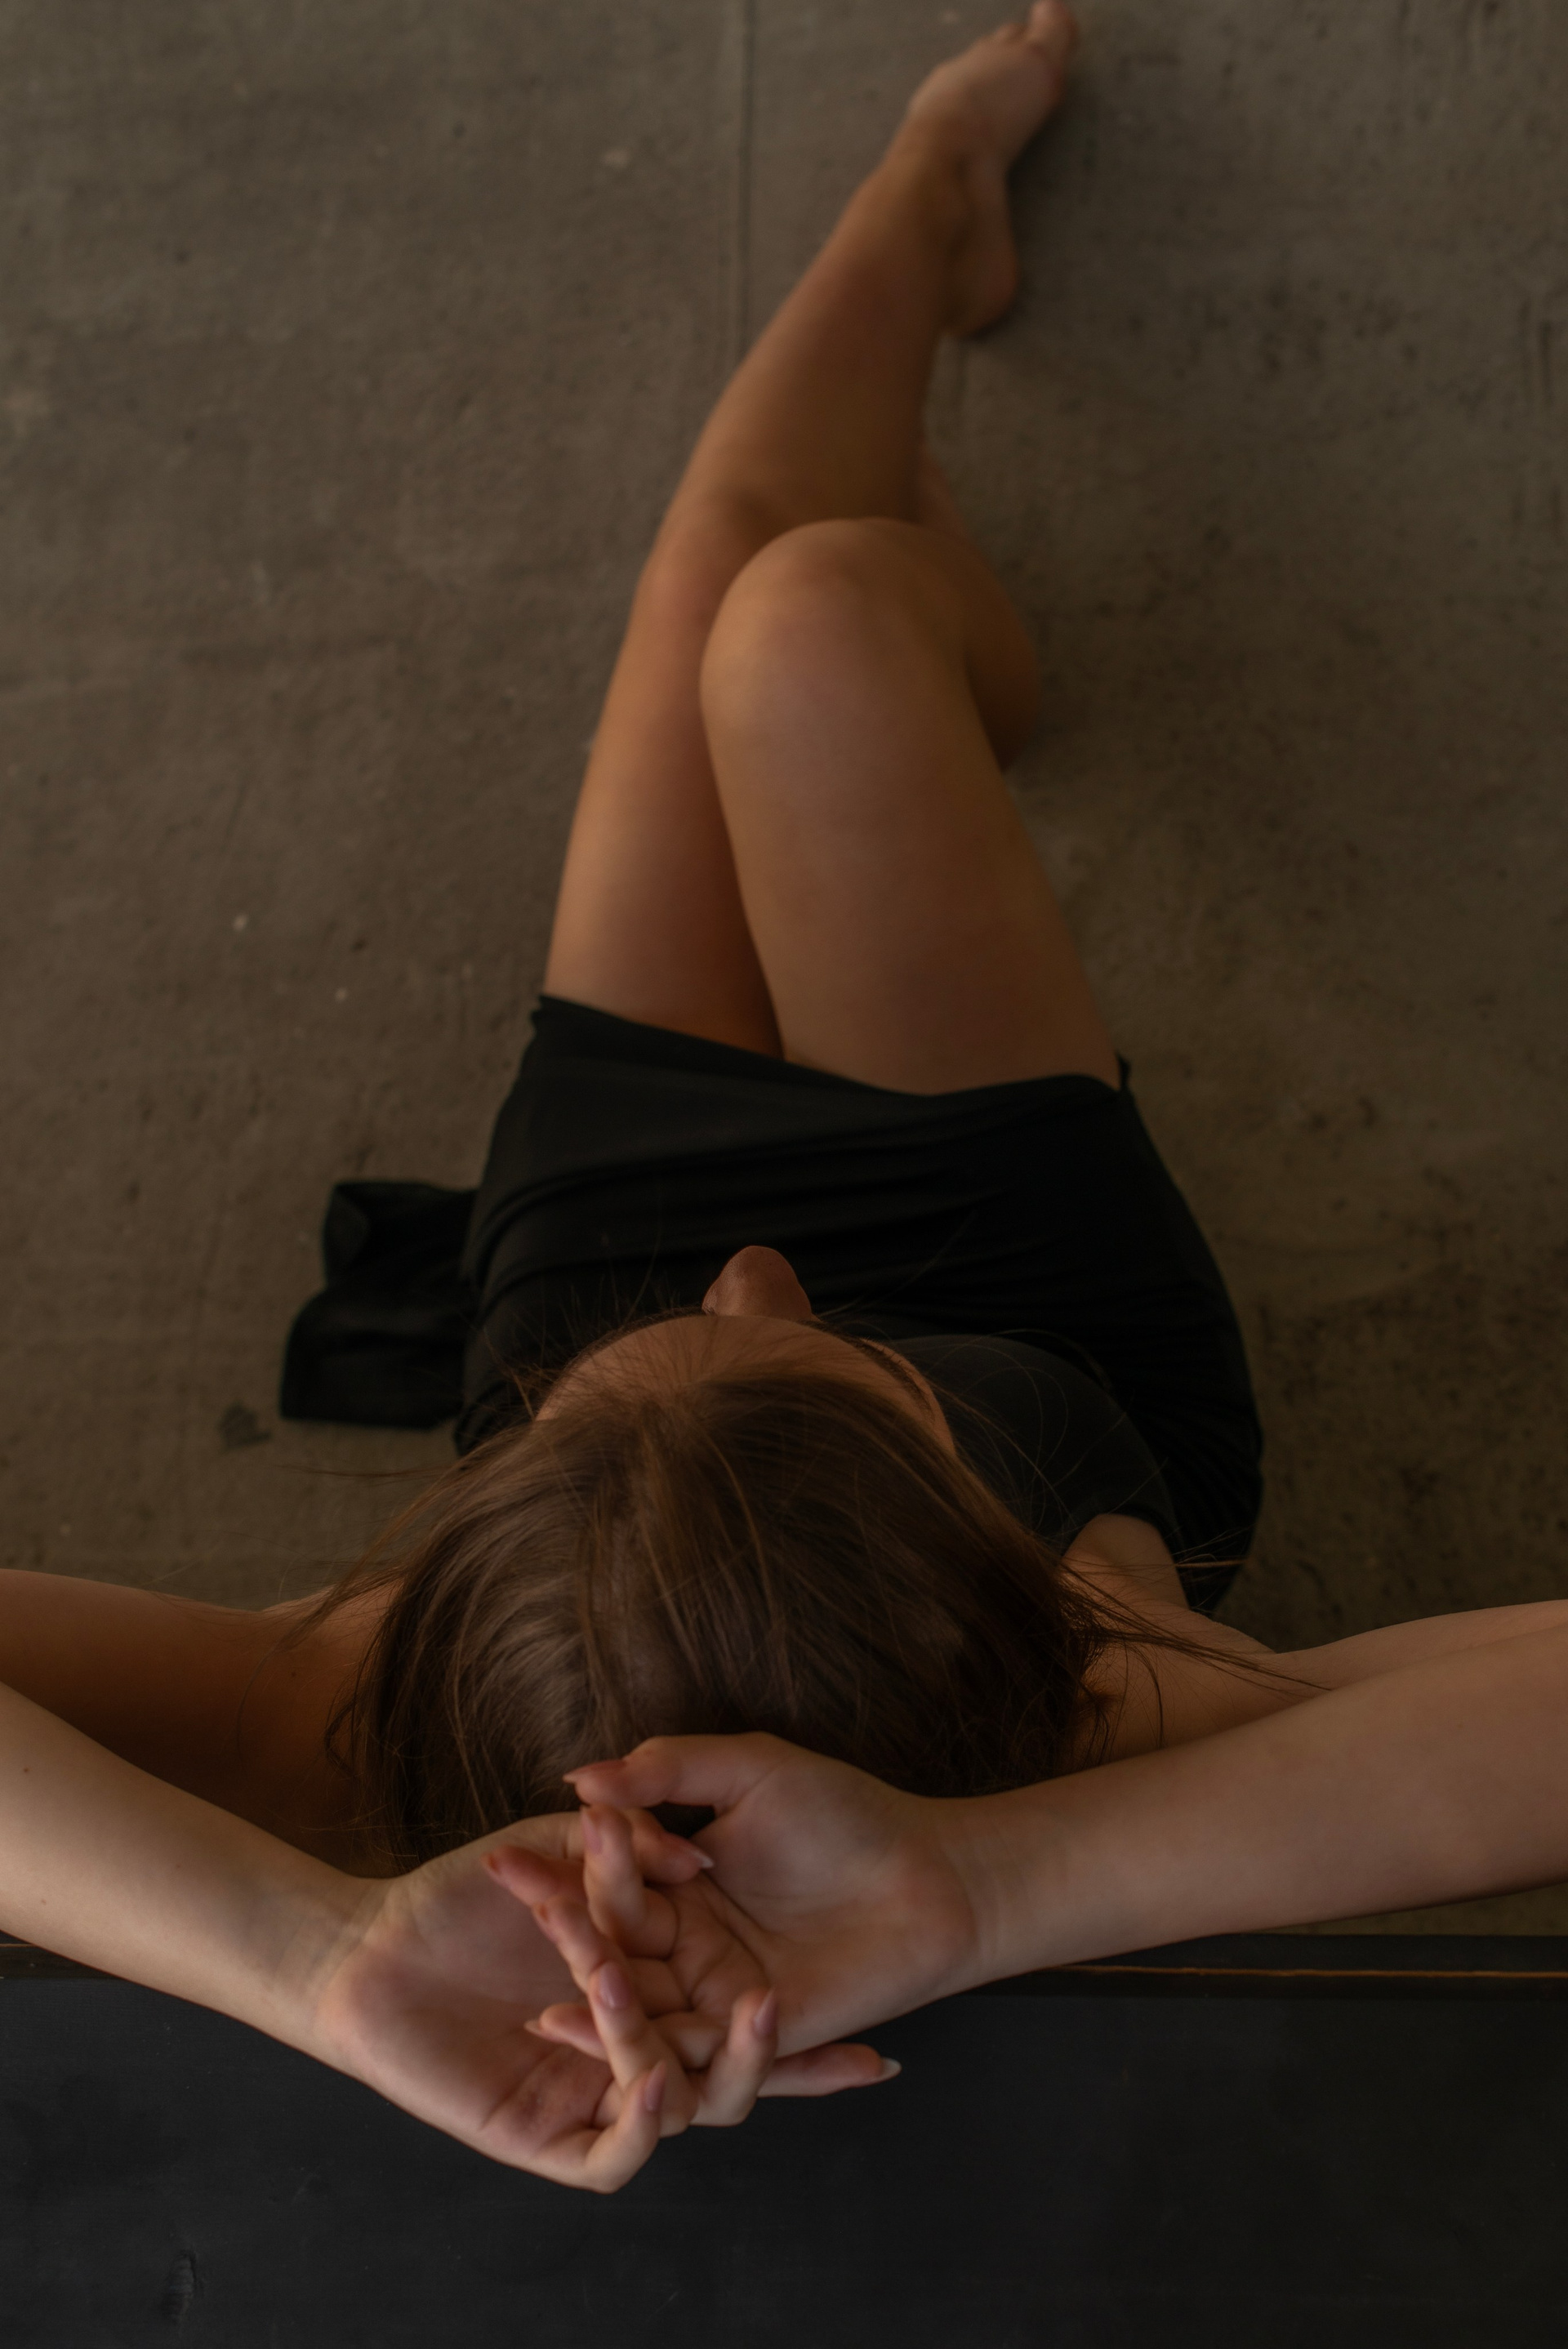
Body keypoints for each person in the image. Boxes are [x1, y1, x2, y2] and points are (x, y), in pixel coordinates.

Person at [6, 2, 1568, 2196]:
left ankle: (927, 211)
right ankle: (960, 592)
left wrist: (315, 1956)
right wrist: (992, 1883)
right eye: (832, 1365)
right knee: (811, 613)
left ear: (495, 1525)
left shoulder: (343, 1695)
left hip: (603, 1285)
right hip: (1035, 1301)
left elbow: (700, 1331)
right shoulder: (1104, 1691)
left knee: (724, 562)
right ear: (988, 1565)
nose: (751, 1271)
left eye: (555, 1413)